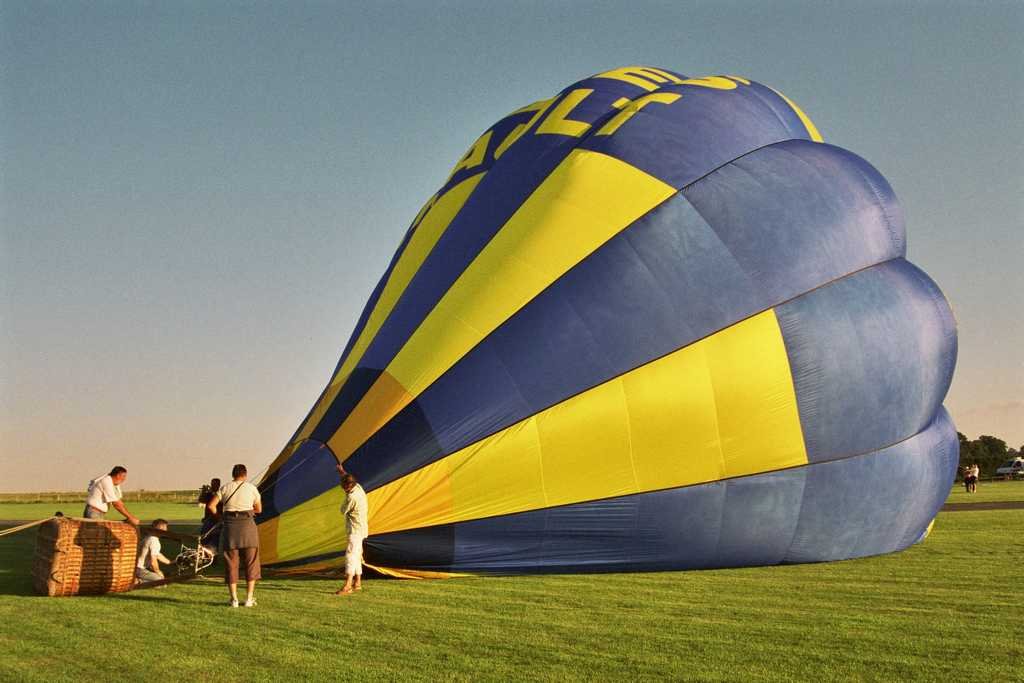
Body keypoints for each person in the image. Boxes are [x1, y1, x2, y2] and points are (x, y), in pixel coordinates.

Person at [207, 464, 261, 608]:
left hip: (230, 529)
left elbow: (211, 506)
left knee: (231, 564)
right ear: (245, 474)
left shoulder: (225, 488)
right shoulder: (252, 488)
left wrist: (220, 518)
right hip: (248, 529)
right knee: (251, 564)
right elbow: (259, 509)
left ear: (233, 475)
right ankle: (249, 599)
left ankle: (234, 599)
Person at [334, 464, 368, 596]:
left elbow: (342, 510)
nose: (342, 488)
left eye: (343, 486)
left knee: (350, 555)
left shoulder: (351, 497)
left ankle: (348, 585)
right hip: (362, 528)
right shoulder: (358, 488)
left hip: (355, 530)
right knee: (357, 555)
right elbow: (347, 478)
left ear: (347, 486)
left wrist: (346, 494)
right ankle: (357, 582)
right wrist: (341, 471)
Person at [136, 518, 173, 583]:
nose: (166, 530)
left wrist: (170, 562)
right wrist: (158, 572)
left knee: (165, 576)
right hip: (139, 569)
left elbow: (158, 555)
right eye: (165, 527)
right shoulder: (154, 540)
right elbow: (153, 562)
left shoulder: (149, 537)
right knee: (161, 581)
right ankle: (137, 581)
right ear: (160, 528)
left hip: (137, 567)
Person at [199, 477, 222, 555]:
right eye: (212, 484)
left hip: (216, 519)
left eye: (214, 484)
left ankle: (213, 555)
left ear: (218, 485)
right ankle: (203, 554)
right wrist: (203, 491)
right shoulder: (208, 494)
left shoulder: (220, 494)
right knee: (204, 538)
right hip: (208, 519)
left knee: (215, 538)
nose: (212, 486)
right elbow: (201, 500)